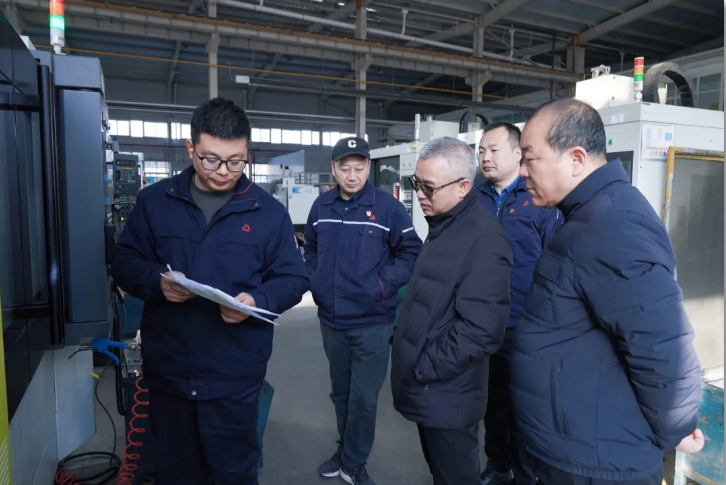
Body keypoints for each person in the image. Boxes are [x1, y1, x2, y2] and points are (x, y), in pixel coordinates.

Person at [111, 97, 309, 485]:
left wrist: (258, 301)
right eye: (211, 159)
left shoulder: (268, 212)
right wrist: (157, 282)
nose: (223, 172)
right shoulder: (156, 202)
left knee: (234, 473)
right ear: (191, 148)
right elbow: (124, 262)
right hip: (170, 372)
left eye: (236, 162)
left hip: (234, 375)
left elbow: (293, 278)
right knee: (177, 473)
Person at [511, 97, 704, 485]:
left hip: (597, 463)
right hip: (574, 446)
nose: (522, 172)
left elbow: (661, 341)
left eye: (529, 159)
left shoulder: (614, 223)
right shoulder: (588, 214)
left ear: (576, 159)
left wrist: (677, 427)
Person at [390, 136, 513, 485]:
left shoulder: (484, 239)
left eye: (428, 187)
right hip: (431, 391)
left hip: (447, 394)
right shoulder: (444, 226)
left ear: (462, 187)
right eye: (415, 183)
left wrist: (422, 367)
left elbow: (481, 331)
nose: (419, 194)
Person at [303, 136, 422, 485]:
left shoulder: (387, 208)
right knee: (340, 393)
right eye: (345, 168)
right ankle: (345, 451)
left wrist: (382, 285)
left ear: (368, 168)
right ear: (334, 169)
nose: (352, 175)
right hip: (332, 321)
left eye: (359, 168)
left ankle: (355, 462)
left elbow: (411, 252)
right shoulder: (321, 207)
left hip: (372, 322)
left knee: (364, 398)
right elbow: (310, 248)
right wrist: (315, 280)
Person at [476, 121, 563, 485]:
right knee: (490, 402)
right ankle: (498, 465)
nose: (485, 157)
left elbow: (557, 264)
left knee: (525, 406)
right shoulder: (474, 199)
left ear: (517, 153)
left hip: (525, 326)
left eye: (493, 150)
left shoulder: (538, 198)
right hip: (482, 322)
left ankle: (526, 474)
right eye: (481, 151)